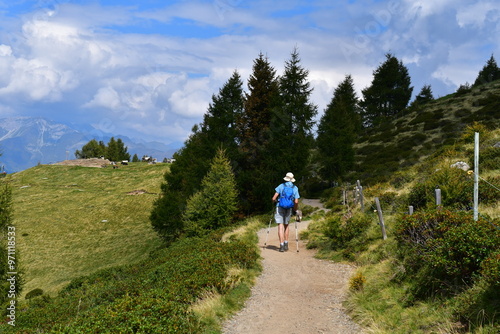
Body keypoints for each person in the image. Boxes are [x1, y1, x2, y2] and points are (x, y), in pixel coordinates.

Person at [272, 172, 300, 252]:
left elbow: (274, 198)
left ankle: (281, 246)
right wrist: (294, 210)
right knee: (286, 225)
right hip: (289, 208)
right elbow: (296, 201)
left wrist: (275, 202)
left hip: (280, 207)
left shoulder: (281, 186)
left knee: (280, 226)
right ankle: (286, 244)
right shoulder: (295, 188)